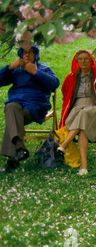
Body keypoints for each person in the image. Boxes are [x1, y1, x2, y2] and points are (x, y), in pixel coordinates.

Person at [0, 42, 59, 173]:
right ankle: (20, 147)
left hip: (35, 106)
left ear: (36, 55)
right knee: (11, 107)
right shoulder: (16, 70)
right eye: (24, 52)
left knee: (12, 118)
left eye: (31, 52)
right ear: (21, 54)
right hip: (16, 103)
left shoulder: (43, 69)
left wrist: (36, 72)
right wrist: (9, 67)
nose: (27, 54)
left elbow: (54, 84)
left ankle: (12, 159)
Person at [58, 50, 96, 175]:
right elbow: (65, 94)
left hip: (95, 107)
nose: (83, 61)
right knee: (83, 126)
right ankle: (84, 166)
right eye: (80, 59)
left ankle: (65, 144)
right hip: (77, 107)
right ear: (77, 61)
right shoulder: (71, 77)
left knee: (84, 114)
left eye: (86, 58)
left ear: (91, 61)